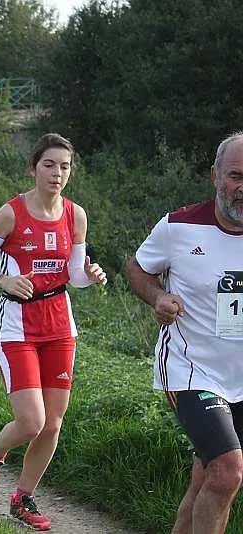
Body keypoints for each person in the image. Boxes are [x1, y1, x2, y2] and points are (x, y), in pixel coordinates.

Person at [0, 133, 106, 531]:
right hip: (17, 325)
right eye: (49, 165)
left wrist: (91, 275)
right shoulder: (10, 213)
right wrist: (2, 280)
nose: (57, 173)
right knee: (31, 422)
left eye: (64, 166)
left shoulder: (75, 215)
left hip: (60, 325)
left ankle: (23, 498)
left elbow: (74, 276)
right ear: (33, 168)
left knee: (53, 424)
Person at [127, 132, 243, 534]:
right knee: (227, 471)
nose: (242, 188)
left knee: (206, 481)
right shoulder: (178, 227)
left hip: (240, 375)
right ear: (215, 176)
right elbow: (138, 269)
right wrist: (158, 297)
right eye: (236, 176)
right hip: (193, 369)